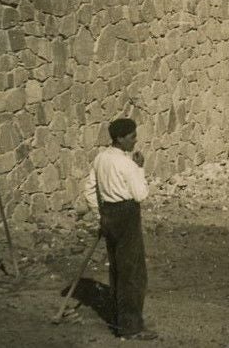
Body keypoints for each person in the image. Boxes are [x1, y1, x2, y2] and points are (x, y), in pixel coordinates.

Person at [84, 118, 157, 340]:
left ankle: (120, 320)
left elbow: (89, 189)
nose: (135, 141)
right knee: (133, 273)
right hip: (126, 215)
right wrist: (140, 168)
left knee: (117, 269)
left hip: (109, 215)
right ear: (119, 138)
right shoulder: (126, 164)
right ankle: (131, 327)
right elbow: (140, 194)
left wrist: (101, 214)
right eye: (132, 137)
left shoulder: (100, 159)